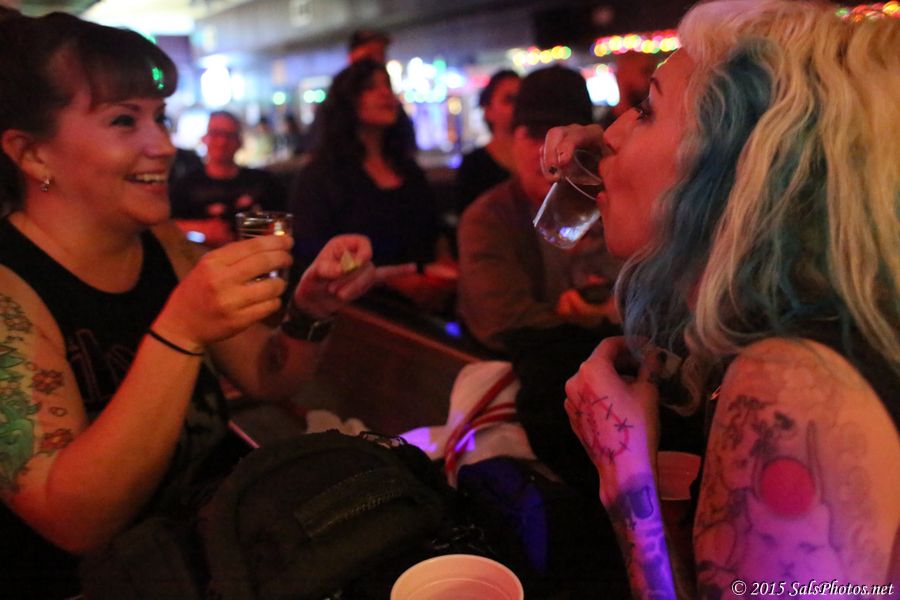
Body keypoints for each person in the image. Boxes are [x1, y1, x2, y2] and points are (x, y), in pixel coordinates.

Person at [0, 13, 408, 598]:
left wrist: (312, 310)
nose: (164, 146)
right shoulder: (10, 291)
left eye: (161, 117)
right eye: (124, 120)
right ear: (33, 154)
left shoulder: (163, 244)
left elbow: (269, 376)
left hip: (219, 554)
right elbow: (73, 523)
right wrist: (179, 332)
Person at [542, 1, 900, 597]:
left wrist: (627, 484)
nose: (609, 134)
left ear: (738, 169)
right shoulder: (788, 323)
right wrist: (615, 173)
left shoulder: (789, 390)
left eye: (646, 109)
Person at [457, 65, 625, 492]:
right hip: (543, 404)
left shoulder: (619, 207)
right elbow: (504, 320)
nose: (546, 152)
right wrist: (600, 319)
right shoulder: (489, 217)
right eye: (534, 135)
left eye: (560, 137)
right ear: (511, 140)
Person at [291, 59, 455, 312]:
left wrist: (445, 268)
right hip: (361, 313)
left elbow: (435, 230)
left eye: (387, 85)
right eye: (370, 87)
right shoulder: (321, 176)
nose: (385, 93)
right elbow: (312, 256)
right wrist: (390, 281)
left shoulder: (407, 168)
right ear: (347, 101)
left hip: (429, 306)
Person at [169, 111, 287, 248]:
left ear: (239, 142)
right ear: (205, 139)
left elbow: (283, 223)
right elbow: (165, 225)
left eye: (229, 136)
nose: (222, 142)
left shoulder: (264, 182)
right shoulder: (185, 185)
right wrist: (201, 229)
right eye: (216, 134)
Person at [455, 69, 520, 213]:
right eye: (509, 100)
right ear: (488, 110)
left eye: (522, 99)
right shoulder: (474, 165)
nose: (518, 106)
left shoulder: (540, 156)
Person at [598, 51, 658, 129]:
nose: (653, 78)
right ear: (622, 74)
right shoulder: (604, 130)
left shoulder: (658, 121)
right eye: (646, 71)